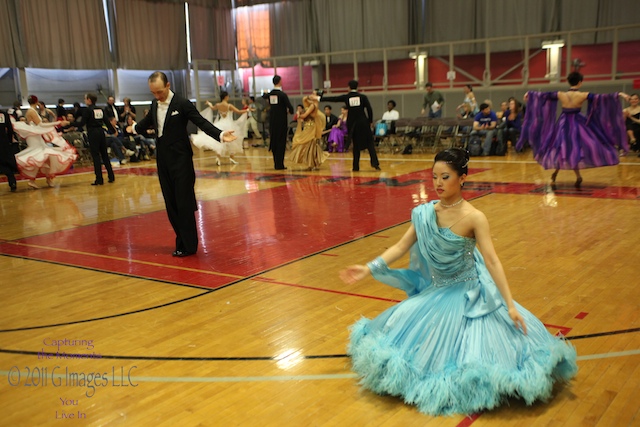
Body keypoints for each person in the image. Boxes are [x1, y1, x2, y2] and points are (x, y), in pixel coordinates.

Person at [339, 148, 578, 416]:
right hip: (438, 292)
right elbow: (400, 246)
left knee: (477, 352)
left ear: (462, 178)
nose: (438, 183)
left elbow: (492, 261)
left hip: (470, 295)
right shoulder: (425, 213)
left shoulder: (475, 217)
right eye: (434, 177)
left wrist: (509, 305)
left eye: (445, 177)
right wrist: (368, 268)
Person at [129, 71, 236, 257]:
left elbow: (201, 122)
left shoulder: (182, 103)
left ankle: (189, 245)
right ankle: (181, 242)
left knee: (184, 203)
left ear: (168, 85)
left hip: (181, 160)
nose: (157, 96)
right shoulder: (154, 104)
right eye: (153, 93)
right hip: (163, 160)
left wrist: (219, 135)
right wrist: (132, 128)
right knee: (171, 204)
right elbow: (146, 123)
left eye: (160, 92)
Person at [516, 72, 630, 188]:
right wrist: (619, 94)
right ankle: (568, 175)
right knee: (575, 149)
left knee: (562, 149)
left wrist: (529, 93)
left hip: (563, 124)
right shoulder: (583, 95)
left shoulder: (561, 94)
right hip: (577, 124)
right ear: (580, 82)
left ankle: (558, 174)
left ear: (569, 82)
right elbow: (602, 98)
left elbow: (543, 95)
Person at [13, 95, 77, 189]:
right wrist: (57, 123)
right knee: (39, 156)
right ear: (37, 102)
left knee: (45, 157)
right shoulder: (31, 111)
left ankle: (46, 179)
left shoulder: (32, 111)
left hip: (36, 136)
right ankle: (36, 180)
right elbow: (41, 125)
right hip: (34, 137)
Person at [321, 80, 381, 171]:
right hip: (363, 122)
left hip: (353, 124)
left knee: (356, 145)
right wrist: (370, 121)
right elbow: (369, 109)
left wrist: (320, 99)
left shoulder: (347, 97)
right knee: (369, 143)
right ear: (357, 87)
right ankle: (375, 164)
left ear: (348, 87)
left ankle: (355, 167)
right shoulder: (362, 97)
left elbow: (334, 99)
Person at [191, 91, 247, 165]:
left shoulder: (218, 105)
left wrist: (209, 103)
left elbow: (212, 108)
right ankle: (231, 157)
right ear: (226, 97)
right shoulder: (229, 106)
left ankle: (219, 158)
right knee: (232, 141)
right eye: (228, 96)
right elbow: (239, 111)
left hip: (221, 123)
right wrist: (247, 110)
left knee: (220, 141)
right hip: (229, 124)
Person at [80, 93, 115, 185]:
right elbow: (107, 122)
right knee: (104, 155)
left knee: (95, 156)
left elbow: (81, 123)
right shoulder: (100, 109)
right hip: (101, 132)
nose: (84, 100)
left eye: (85, 99)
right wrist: (113, 130)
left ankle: (99, 179)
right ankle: (111, 176)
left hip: (93, 133)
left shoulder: (87, 110)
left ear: (89, 100)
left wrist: (69, 124)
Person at [289, 92, 329, 170]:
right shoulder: (313, 104)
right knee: (311, 145)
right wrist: (308, 97)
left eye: (313, 94)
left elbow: (304, 115)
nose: (311, 95)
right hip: (309, 126)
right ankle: (312, 163)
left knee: (308, 144)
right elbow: (304, 99)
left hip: (310, 127)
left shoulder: (312, 105)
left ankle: (311, 164)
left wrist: (298, 114)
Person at [262, 75, 293, 170]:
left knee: (274, 141)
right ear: (280, 82)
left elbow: (264, 96)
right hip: (281, 122)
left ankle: (276, 163)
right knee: (281, 142)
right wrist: (288, 111)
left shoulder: (270, 94)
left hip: (272, 122)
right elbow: (291, 108)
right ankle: (280, 164)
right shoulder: (282, 95)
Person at [0, 109, 18, 192]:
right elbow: (10, 129)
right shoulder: (4, 114)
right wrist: (9, 141)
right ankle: (12, 182)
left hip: (4, 142)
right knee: (7, 162)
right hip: (4, 142)